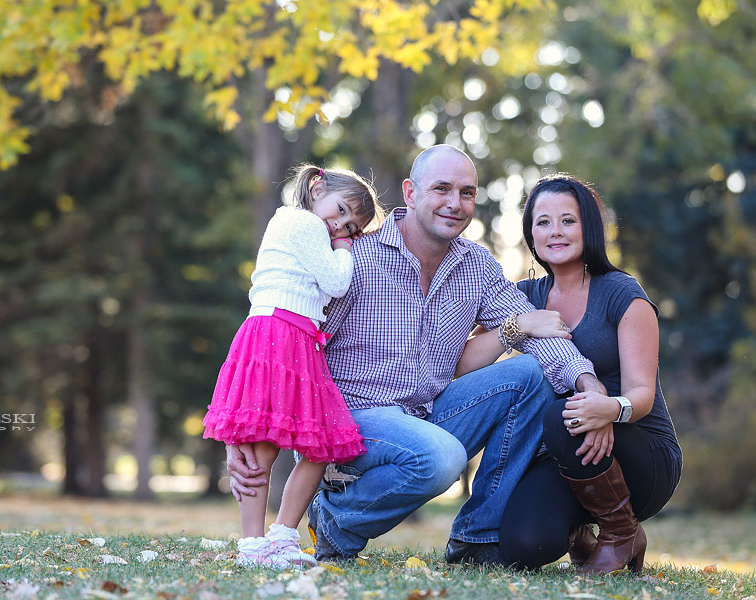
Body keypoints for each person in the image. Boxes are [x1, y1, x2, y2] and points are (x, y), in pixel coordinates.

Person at [226, 145, 607, 566]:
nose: (454, 203)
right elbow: (280, 341)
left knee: (532, 372)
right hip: (351, 422)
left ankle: (477, 539)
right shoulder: (354, 259)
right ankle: (335, 520)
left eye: (466, 192)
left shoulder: (477, 266)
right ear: (410, 192)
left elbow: (538, 333)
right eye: (441, 189)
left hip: (428, 415)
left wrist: (589, 387)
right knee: (440, 456)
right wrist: (246, 426)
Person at [459, 174, 681, 573]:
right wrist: (517, 326)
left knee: (562, 415)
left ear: (588, 228)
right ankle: (583, 534)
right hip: (567, 451)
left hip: (641, 454)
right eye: (542, 222)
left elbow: (642, 394)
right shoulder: (523, 296)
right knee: (523, 546)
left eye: (568, 220)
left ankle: (620, 531)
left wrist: (606, 409)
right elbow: (463, 364)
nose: (554, 232)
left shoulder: (622, 293)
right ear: (530, 232)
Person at [202, 164, 385, 569]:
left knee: (321, 443)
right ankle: (252, 546)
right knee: (263, 444)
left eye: (352, 227)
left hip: (299, 338)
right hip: (276, 332)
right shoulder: (300, 221)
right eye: (340, 212)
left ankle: (282, 537)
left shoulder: (311, 228)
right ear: (317, 187)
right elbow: (337, 282)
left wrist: (337, 244)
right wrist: (345, 247)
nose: (341, 226)